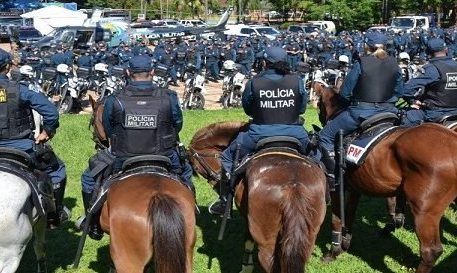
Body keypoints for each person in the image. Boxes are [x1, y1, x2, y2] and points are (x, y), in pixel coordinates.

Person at [79, 55, 193, 239]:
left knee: (88, 179)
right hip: (164, 155)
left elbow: (108, 128)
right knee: (186, 173)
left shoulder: (114, 99)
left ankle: (93, 224)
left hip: (123, 157)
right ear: (153, 72)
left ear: (127, 73)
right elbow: (177, 124)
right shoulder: (169, 96)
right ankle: (191, 211)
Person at [0, 48, 69, 228]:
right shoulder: (20, 90)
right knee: (57, 170)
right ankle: (54, 214)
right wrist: (46, 132)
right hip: (21, 147)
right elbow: (51, 112)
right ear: (7, 67)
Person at [209, 46, 310, 215]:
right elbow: (302, 109)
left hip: (259, 134)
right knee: (317, 157)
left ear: (265, 63)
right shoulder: (297, 80)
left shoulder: (254, 82)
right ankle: (327, 188)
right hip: (295, 134)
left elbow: (248, 109)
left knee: (227, 157)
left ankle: (225, 199)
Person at [317, 32, 403, 191]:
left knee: (325, 136)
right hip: (389, 112)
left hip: (361, 112)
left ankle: (333, 176)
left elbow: (345, 93)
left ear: (366, 45)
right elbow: (399, 90)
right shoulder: (394, 63)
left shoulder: (361, 63)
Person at [401, 38, 457, 126]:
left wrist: (412, 101)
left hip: (434, 113)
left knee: (404, 120)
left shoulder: (432, 68)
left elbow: (407, 89)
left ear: (428, 52)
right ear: (446, 49)